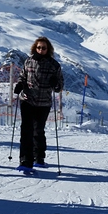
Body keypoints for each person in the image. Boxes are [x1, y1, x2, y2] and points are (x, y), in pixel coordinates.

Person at [13, 37, 64, 172]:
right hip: (27, 100)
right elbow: (22, 77)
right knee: (26, 130)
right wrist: (19, 85)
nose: (41, 50)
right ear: (35, 48)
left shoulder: (54, 65)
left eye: (43, 48)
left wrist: (55, 84)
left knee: (38, 130)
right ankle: (25, 160)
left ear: (48, 49)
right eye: (39, 47)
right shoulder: (28, 61)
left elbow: (59, 86)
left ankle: (39, 156)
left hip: (43, 103)